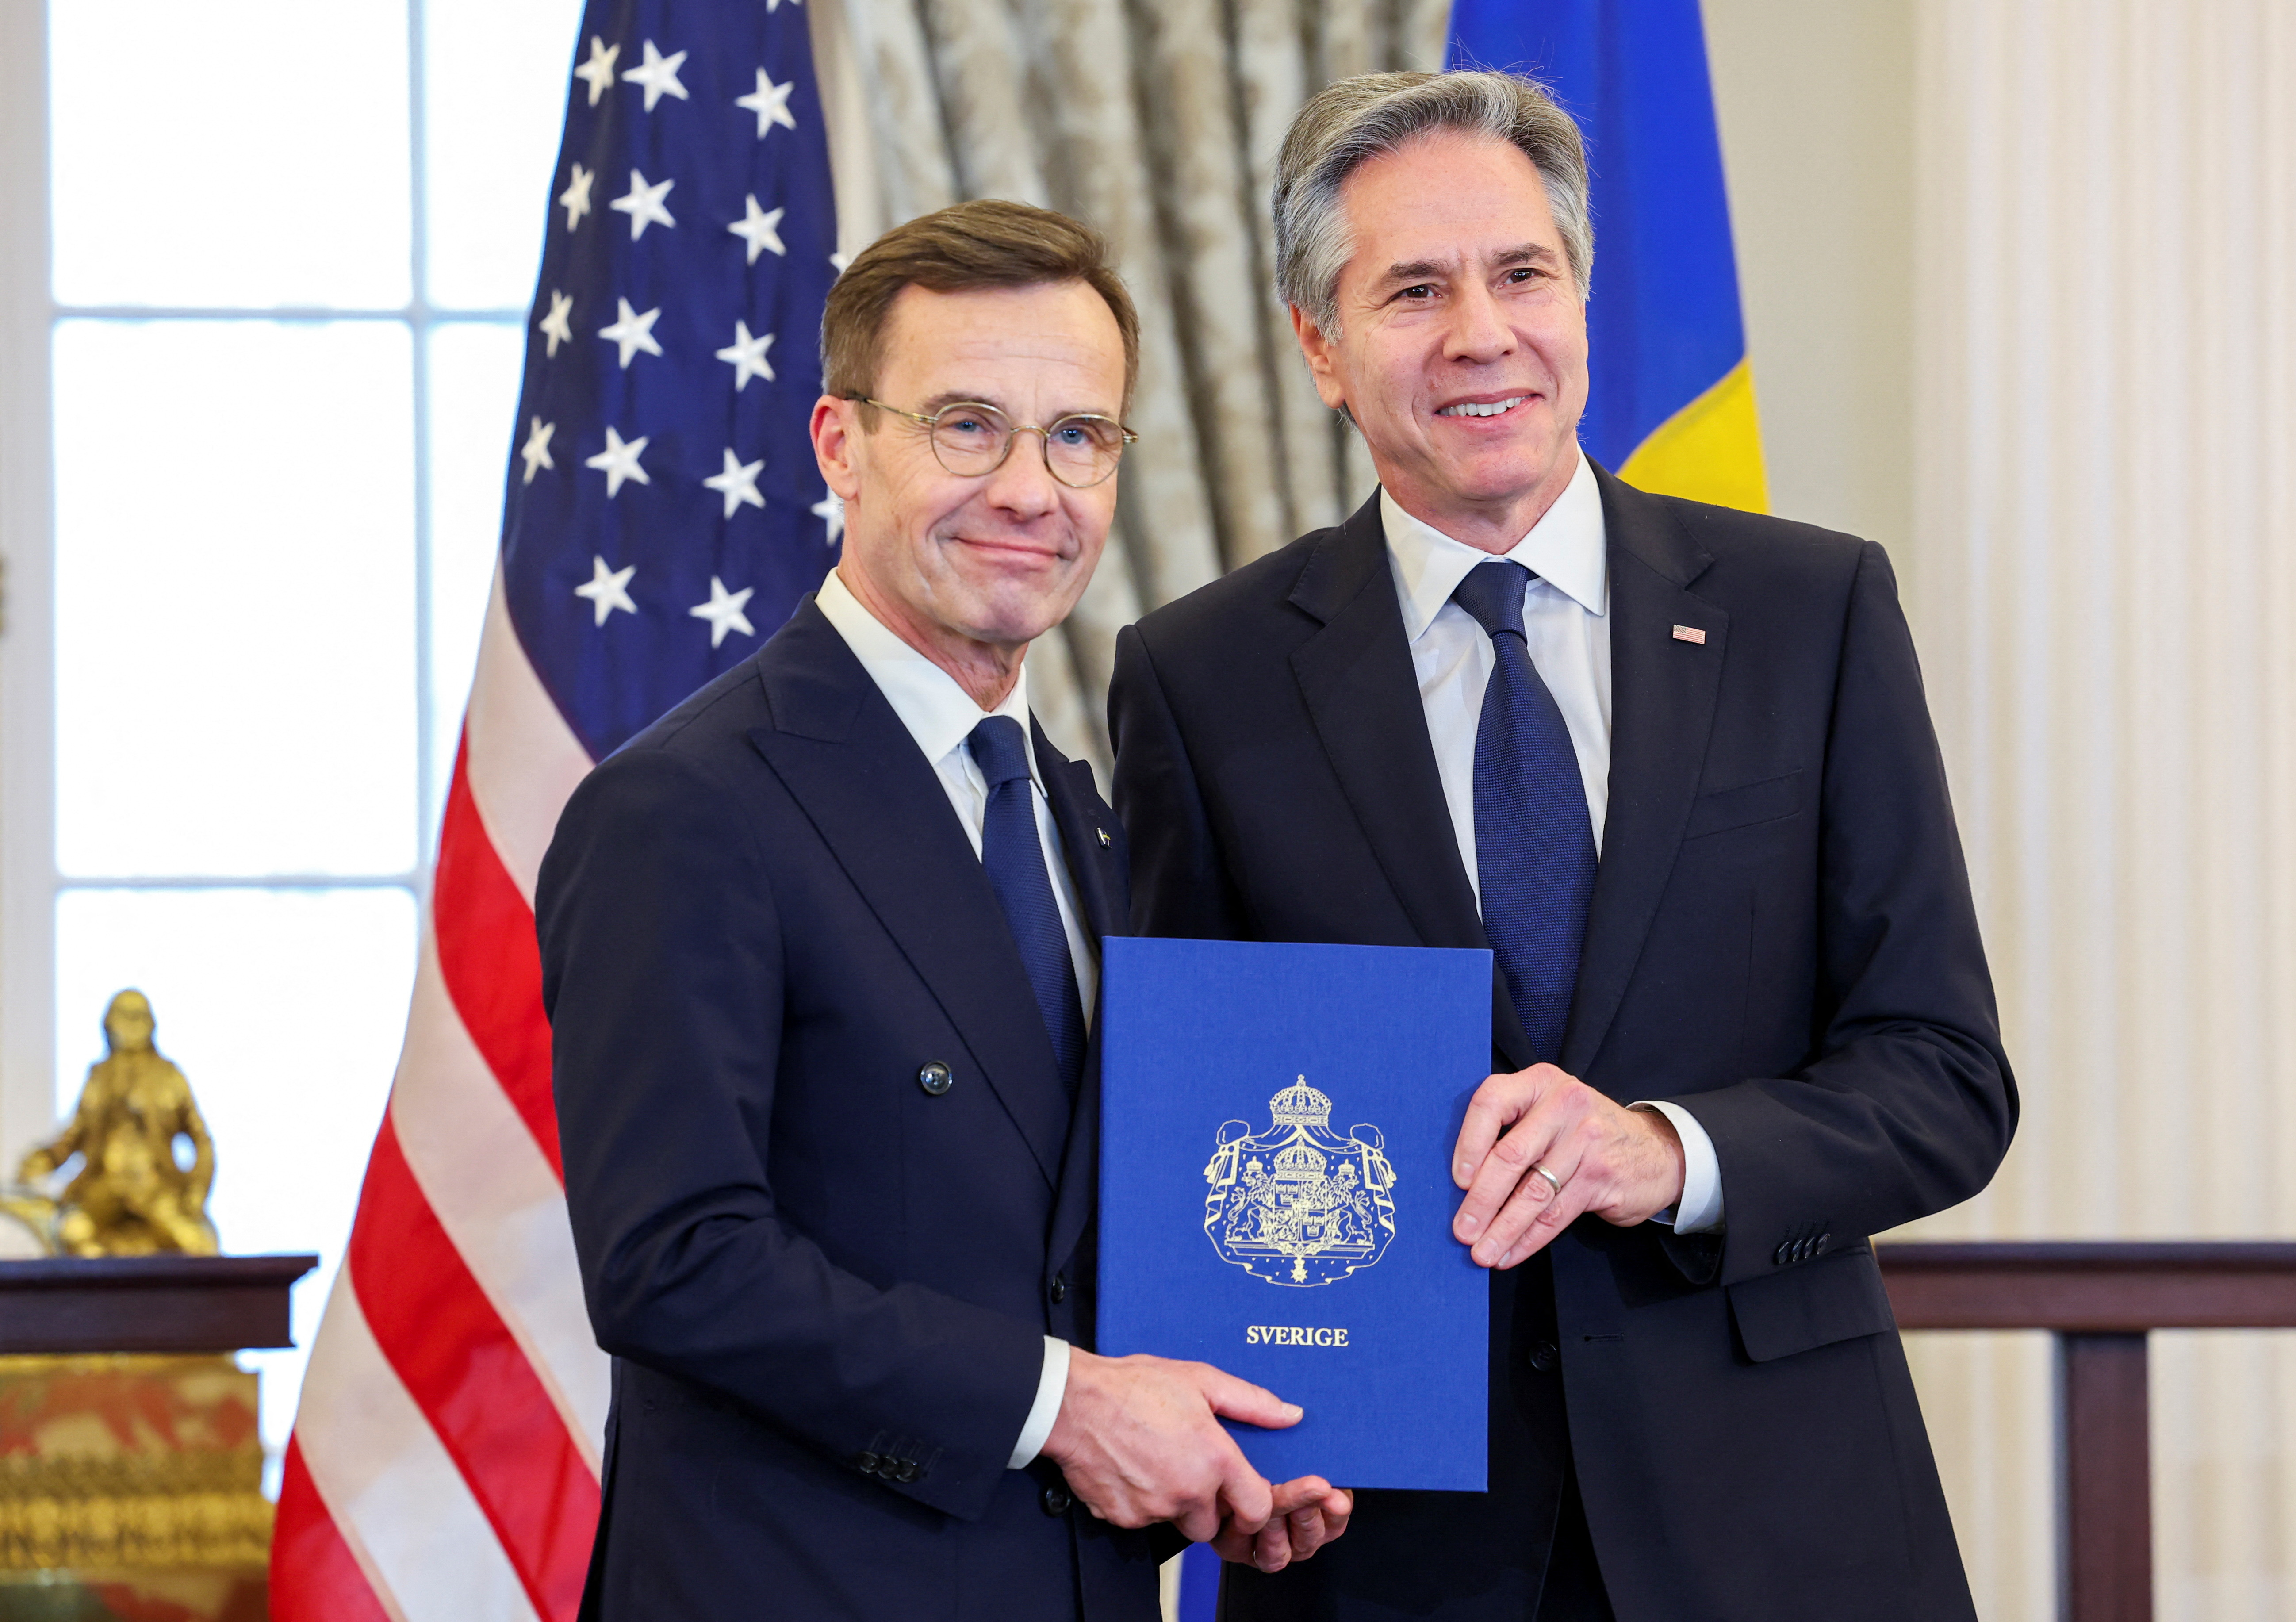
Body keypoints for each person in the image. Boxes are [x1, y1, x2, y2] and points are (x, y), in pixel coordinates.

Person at [1108, 73, 2017, 1621]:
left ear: (1581, 297)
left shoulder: (1811, 614)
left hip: (1781, 1522)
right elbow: (1185, 1117)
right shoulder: (1204, 676)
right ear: (1320, 344)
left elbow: (1945, 1077)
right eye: (1414, 290)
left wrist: (1664, 1151)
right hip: (1382, 1545)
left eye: (1522, 272)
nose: (1483, 333)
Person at [539, 200, 1349, 1622]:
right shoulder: (683, 806)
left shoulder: (1084, 815)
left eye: (1078, 435)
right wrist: (1065, 1406)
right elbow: (673, 1262)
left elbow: (1075, 1240)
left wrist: (1229, 1444)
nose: (1031, 490)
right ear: (840, 444)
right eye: (967, 426)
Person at [17, 988, 218, 1257]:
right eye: (124, 1017)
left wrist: (196, 1192)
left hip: (156, 1190)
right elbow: (72, 1138)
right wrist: (41, 1162)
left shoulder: (170, 1076)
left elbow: (202, 1140)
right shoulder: (99, 1077)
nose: (132, 1026)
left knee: (198, 1245)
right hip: (103, 1190)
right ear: (109, 1024)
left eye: (139, 1017)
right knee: (73, 1235)